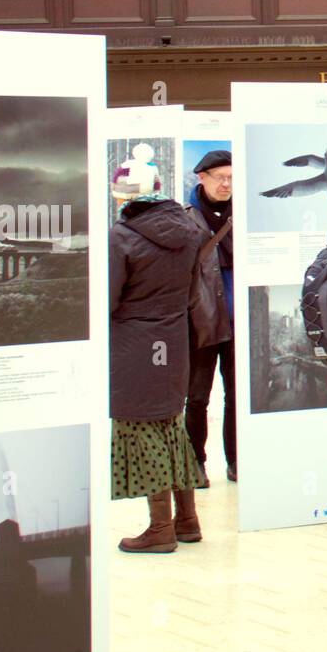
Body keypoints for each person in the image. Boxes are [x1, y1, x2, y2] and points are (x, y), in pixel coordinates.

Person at [109, 194, 208, 553]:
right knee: (171, 426)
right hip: (173, 339)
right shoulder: (190, 232)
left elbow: (109, 298)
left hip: (135, 344)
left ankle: (160, 528)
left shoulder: (121, 236)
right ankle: (187, 521)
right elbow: (194, 292)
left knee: (141, 426)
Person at [184, 150, 236, 486]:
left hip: (236, 324)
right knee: (198, 397)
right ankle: (195, 463)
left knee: (236, 396)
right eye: (220, 177)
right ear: (202, 178)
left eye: (232, 178)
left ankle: (237, 461)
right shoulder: (185, 217)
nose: (227, 184)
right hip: (200, 322)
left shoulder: (243, 213)